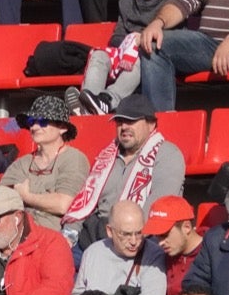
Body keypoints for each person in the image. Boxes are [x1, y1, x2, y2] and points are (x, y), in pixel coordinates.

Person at [62, 96, 187, 250]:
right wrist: (70, 234)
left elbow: (158, 208)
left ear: (151, 124)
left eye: (131, 121)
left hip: (141, 238)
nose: (124, 127)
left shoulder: (167, 154)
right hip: (98, 234)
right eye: (120, 122)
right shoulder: (106, 156)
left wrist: (121, 235)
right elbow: (85, 201)